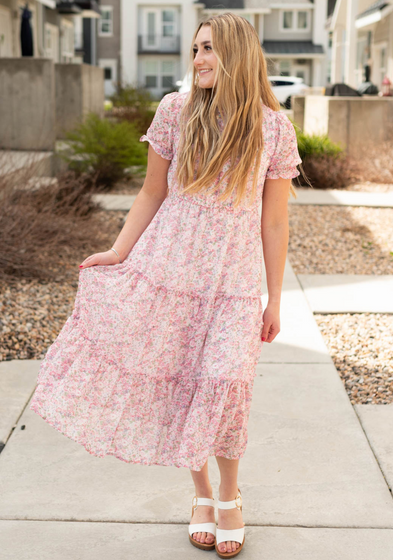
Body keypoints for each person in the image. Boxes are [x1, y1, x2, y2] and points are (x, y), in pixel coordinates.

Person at [29, 12, 302, 559]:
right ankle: (202, 496)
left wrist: (275, 297)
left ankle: (231, 494)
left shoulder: (273, 128)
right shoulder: (175, 112)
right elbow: (152, 194)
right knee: (180, 385)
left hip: (234, 285)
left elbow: (273, 221)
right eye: (196, 49)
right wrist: (118, 251)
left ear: (240, 56)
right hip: (168, 273)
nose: (200, 59)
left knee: (225, 388)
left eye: (211, 49)